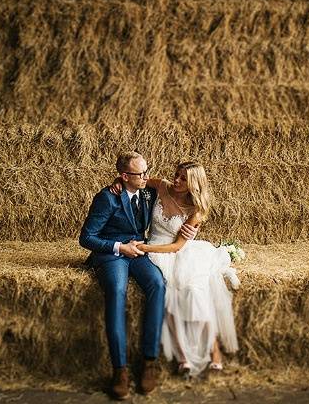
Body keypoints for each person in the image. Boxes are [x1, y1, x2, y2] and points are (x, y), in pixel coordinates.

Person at [78, 151, 198, 400]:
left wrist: (191, 230)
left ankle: (149, 361)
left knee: (157, 283)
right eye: (141, 173)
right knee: (118, 291)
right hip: (113, 253)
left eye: (146, 171)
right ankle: (119, 370)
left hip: (139, 249)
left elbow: (181, 199)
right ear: (124, 176)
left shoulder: (146, 192)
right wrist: (119, 248)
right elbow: (86, 237)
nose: (146, 176)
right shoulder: (106, 198)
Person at [110, 161, 239, 377]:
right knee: (169, 298)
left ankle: (214, 351)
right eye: (176, 175)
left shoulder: (196, 211)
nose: (176, 180)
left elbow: (178, 245)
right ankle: (183, 358)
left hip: (173, 251)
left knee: (195, 294)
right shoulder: (162, 186)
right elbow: (135, 180)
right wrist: (117, 181)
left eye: (183, 179)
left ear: (194, 184)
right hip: (154, 249)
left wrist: (143, 247)